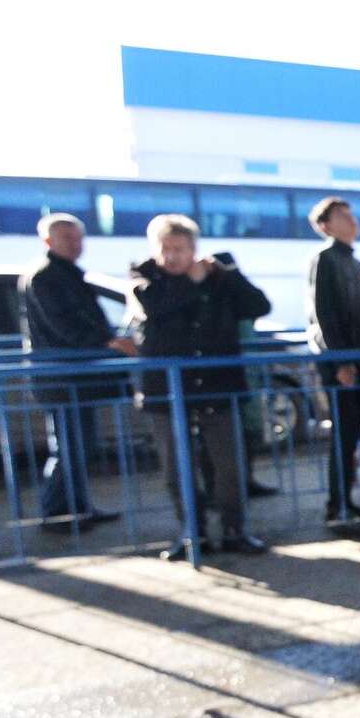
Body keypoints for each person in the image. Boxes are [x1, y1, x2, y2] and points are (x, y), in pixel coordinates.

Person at [129, 214, 272, 559]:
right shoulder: (143, 278)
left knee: (228, 465)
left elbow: (259, 305)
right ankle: (193, 534)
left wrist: (227, 275)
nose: (172, 256)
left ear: (194, 249)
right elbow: (153, 309)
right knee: (178, 470)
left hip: (217, 387)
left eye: (180, 249)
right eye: (166, 249)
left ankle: (235, 530)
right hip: (168, 391)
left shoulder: (217, 277)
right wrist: (189, 284)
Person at [19, 212, 135, 531]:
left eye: (78, 238)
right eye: (67, 239)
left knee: (77, 447)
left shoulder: (61, 273)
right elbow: (65, 326)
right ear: (48, 241)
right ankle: (58, 514)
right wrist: (108, 343)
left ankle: (76, 508)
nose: (75, 245)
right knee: (72, 447)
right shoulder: (46, 276)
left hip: (70, 377)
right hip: (62, 377)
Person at [307, 197, 360, 527]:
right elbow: (325, 314)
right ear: (325, 226)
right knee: (344, 435)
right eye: (343, 216)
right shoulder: (325, 259)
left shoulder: (353, 261)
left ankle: (347, 500)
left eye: (351, 214)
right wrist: (341, 361)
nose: (352, 221)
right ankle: (338, 505)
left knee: (352, 434)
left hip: (359, 359)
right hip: (343, 362)